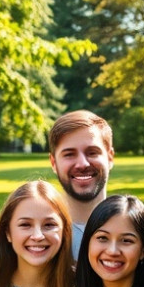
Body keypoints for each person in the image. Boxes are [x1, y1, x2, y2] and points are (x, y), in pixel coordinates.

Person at [48, 110, 114, 258]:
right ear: (53, 163)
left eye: (92, 152)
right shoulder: (40, 241)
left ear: (110, 157)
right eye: (69, 154)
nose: (82, 164)